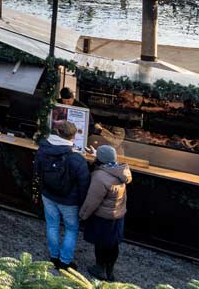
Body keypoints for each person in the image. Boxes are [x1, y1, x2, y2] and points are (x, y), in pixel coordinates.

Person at [35, 119, 91, 270]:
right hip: (69, 201)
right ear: (73, 137)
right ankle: (64, 261)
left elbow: (37, 170)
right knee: (71, 229)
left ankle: (53, 256)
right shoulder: (77, 159)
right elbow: (84, 184)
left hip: (48, 195)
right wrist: (82, 203)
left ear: (57, 132)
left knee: (52, 225)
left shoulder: (43, 148)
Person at [80, 145, 132, 281]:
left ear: (100, 159)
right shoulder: (121, 170)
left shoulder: (100, 176)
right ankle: (110, 270)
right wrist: (97, 154)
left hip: (103, 217)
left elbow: (92, 201)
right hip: (118, 215)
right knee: (113, 243)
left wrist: (82, 215)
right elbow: (106, 162)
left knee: (101, 243)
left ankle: (100, 268)